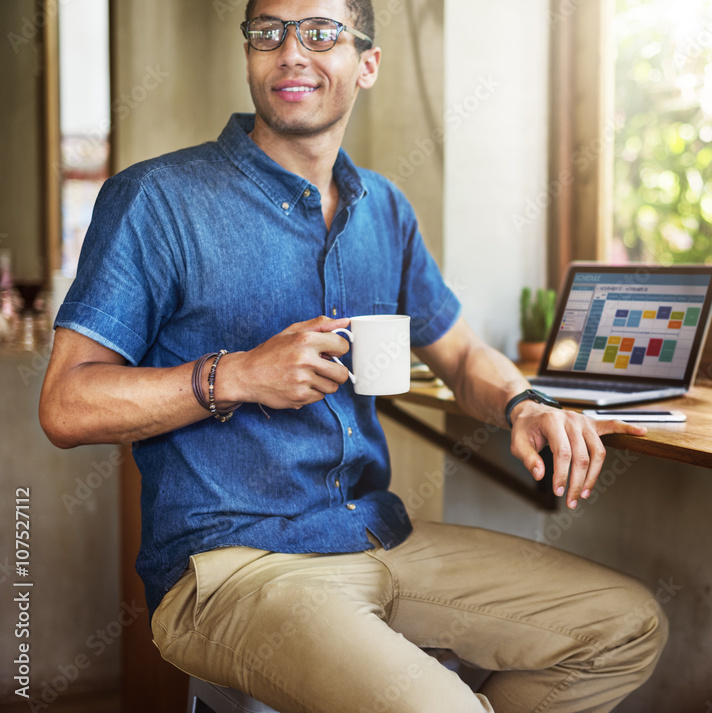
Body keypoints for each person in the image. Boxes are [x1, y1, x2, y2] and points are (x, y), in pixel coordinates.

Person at [39, 1, 668, 710]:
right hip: (231, 567)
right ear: (248, 55)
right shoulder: (156, 200)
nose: (291, 53)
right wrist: (238, 374)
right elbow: (66, 404)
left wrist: (524, 402)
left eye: (320, 33)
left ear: (367, 64)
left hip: (376, 535)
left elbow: (460, 353)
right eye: (268, 33)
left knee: (623, 625)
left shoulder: (386, 209)